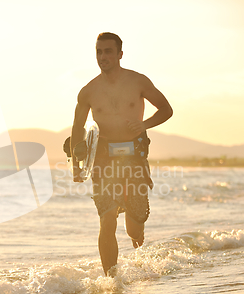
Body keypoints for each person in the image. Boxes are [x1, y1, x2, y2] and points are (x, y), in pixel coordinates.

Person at [70, 32, 173, 276]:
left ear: (120, 54)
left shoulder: (138, 82)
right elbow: (77, 128)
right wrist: (77, 164)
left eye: (107, 51)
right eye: (98, 52)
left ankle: (134, 222)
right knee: (107, 220)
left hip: (133, 157)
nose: (102, 56)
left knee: (134, 229)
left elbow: (167, 109)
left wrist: (144, 125)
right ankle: (112, 282)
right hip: (103, 159)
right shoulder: (88, 91)